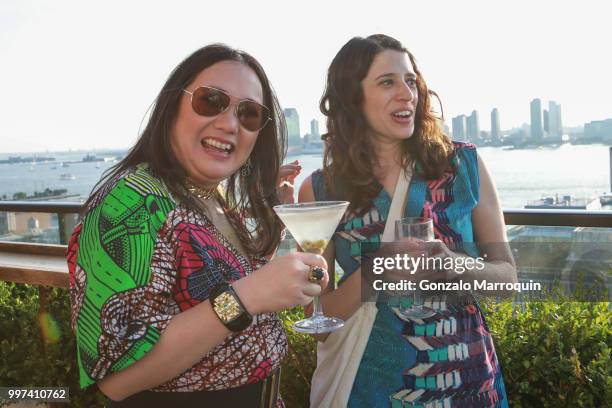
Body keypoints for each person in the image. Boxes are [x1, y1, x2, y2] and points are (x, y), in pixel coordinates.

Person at [66, 44, 328, 407]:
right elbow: (116, 379)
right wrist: (247, 297)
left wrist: (271, 254)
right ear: (173, 105)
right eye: (211, 100)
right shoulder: (132, 201)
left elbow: (213, 277)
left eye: (249, 113)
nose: (229, 123)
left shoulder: (208, 198)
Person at [300, 34, 517, 407]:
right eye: (388, 82)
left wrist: (451, 265)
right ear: (353, 98)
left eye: (411, 80)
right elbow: (318, 320)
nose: (407, 94)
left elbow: (507, 280)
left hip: (470, 385)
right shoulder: (320, 191)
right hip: (373, 390)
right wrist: (377, 269)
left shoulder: (464, 167)